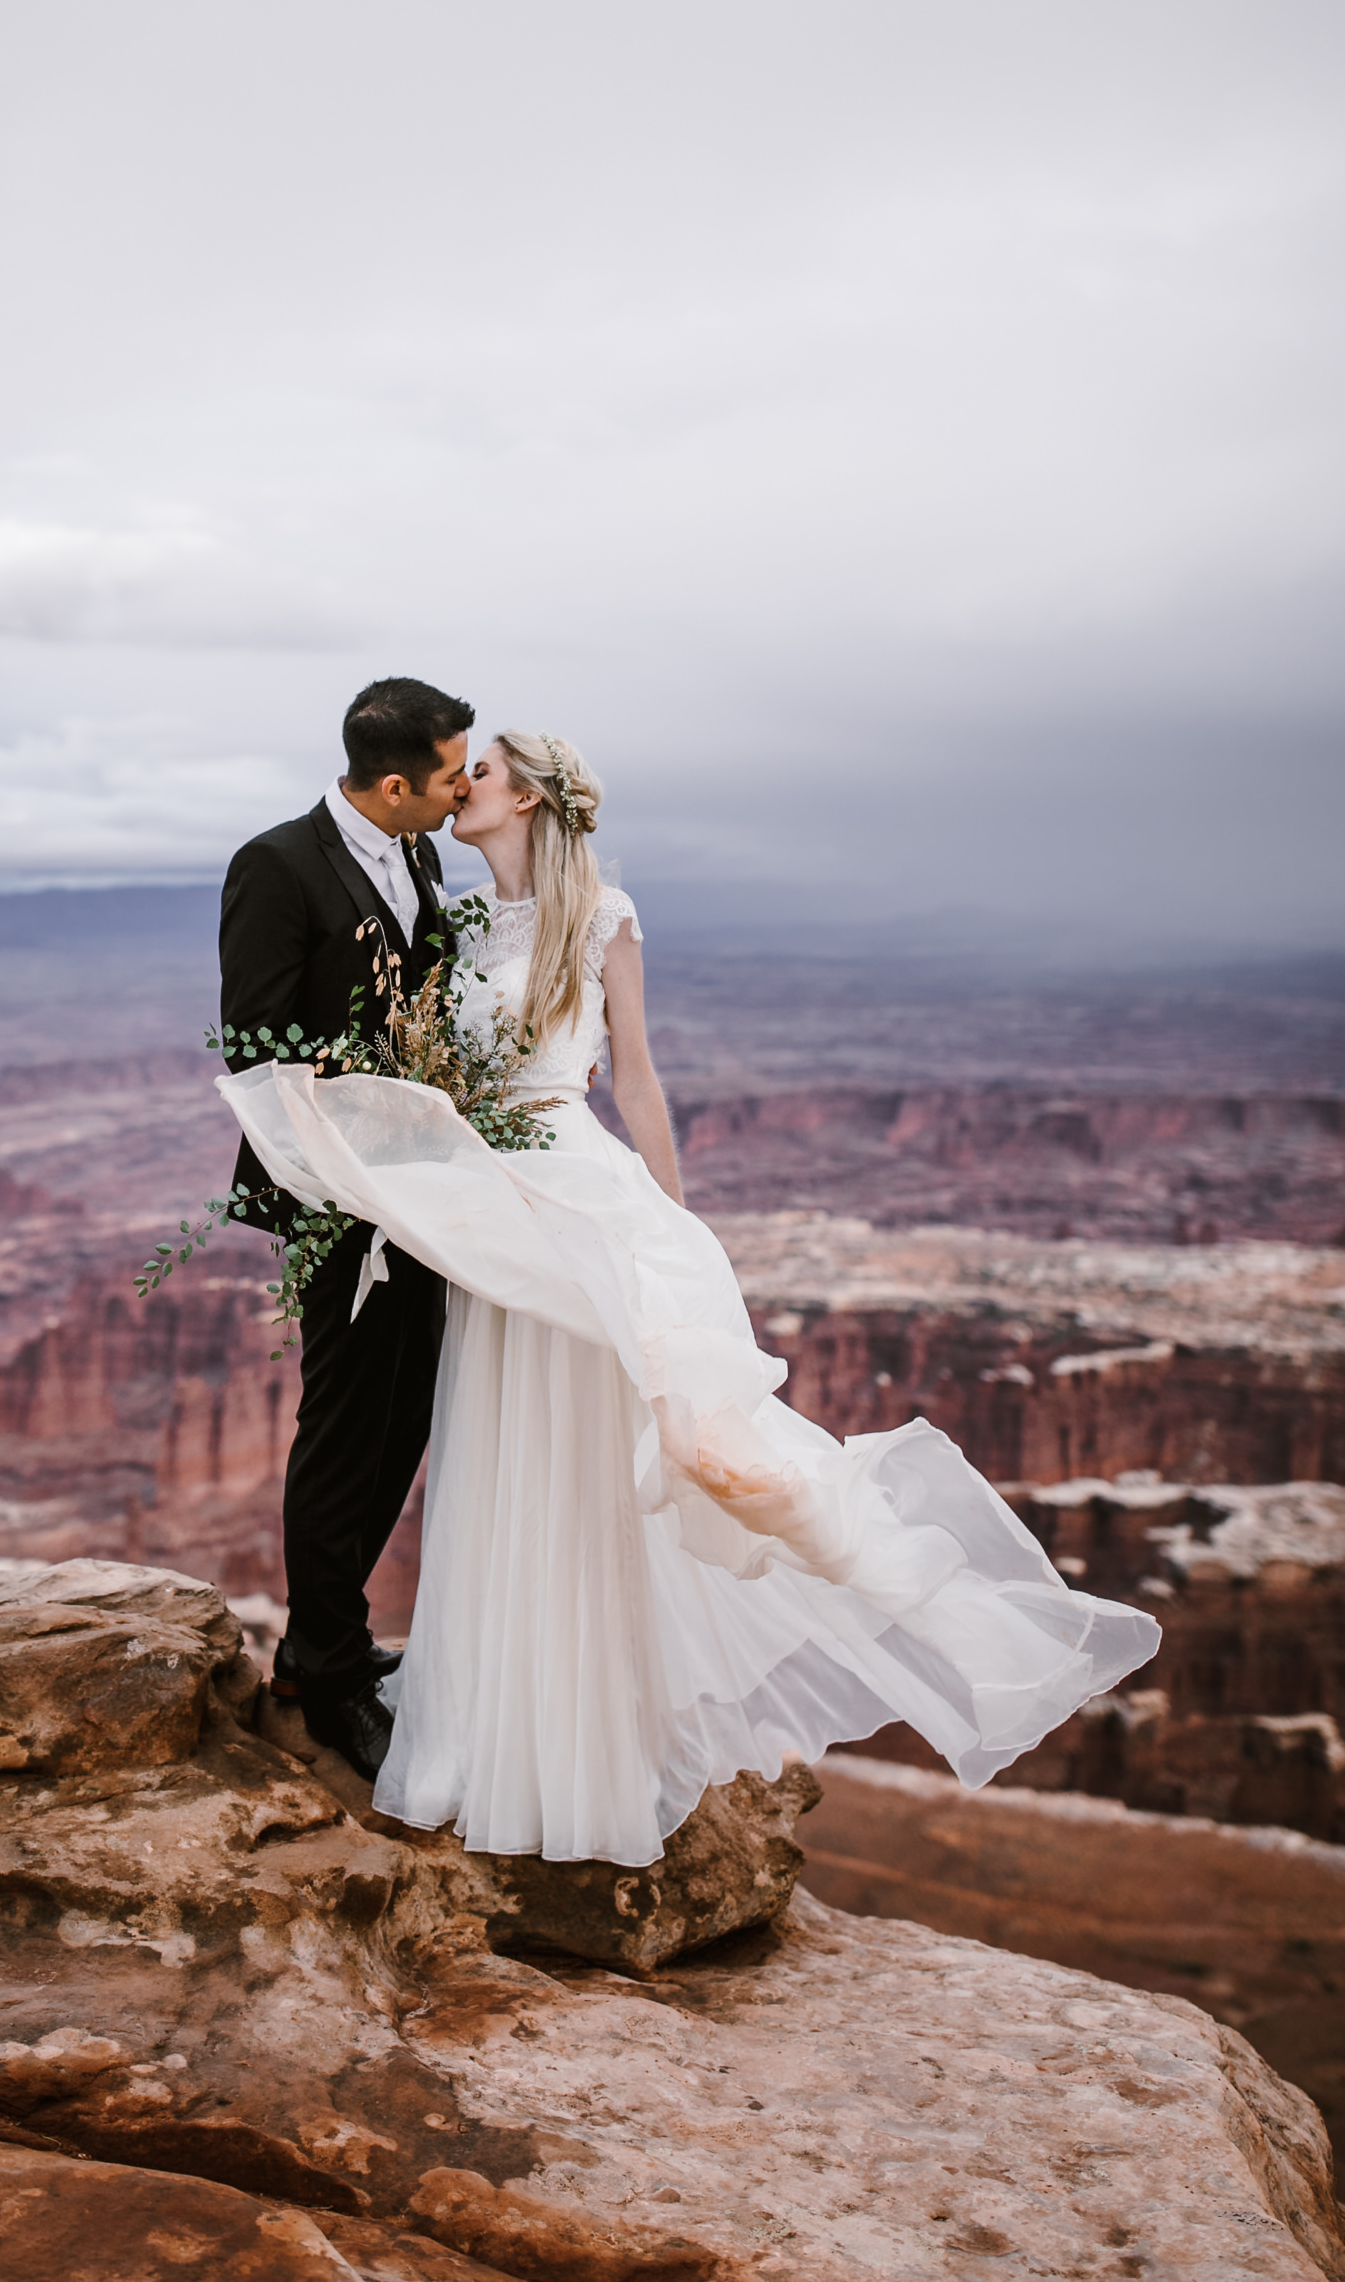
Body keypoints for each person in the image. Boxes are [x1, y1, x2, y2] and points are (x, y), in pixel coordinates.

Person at [220, 728, 1161, 1866]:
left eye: (481, 776)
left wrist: (672, 1217)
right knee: (502, 1461)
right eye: (456, 773)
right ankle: (498, 1727)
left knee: (594, 1462)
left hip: (576, 1204)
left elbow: (640, 1076)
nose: (460, 789)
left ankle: (593, 1749)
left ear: (529, 801)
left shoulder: (603, 918)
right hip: (489, 1221)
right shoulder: (453, 917)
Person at [216, 674, 473, 1775]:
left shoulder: (415, 855)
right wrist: (378, 1108)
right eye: (452, 774)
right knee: (343, 1424)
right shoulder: (275, 866)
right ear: (394, 782)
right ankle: (318, 1671)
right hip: (334, 1192)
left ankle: (333, 1638)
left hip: (418, 1187)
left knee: (405, 1412)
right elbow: (253, 1045)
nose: (465, 792)